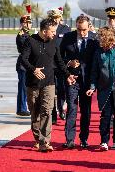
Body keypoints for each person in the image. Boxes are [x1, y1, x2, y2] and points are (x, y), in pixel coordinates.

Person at [21, 18, 76, 152]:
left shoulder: (54, 43)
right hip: (32, 83)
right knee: (35, 113)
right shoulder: (30, 40)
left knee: (47, 111)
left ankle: (44, 142)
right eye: (52, 31)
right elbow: (23, 59)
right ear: (44, 31)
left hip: (49, 83)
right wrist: (33, 69)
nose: (54, 34)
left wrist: (68, 74)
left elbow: (59, 61)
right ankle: (37, 137)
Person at [60, 14, 98, 149]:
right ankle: (69, 139)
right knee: (71, 109)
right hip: (72, 80)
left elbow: (97, 61)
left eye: (84, 30)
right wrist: (68, 62)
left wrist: (95, 83)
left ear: (89, 27)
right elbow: (58, 57)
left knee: (86, 111)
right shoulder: (68, 37)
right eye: (79, 30)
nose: (82, 33)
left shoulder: (94, 39)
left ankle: (84, 139)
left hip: (87, 81)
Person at [47, 8, 71, 124]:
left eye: (58, 17)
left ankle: (61, 109)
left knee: (61, 89)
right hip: (50, 63)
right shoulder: (47, 28)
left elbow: (68, 46)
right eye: (54, 17)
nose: (56, 20)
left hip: (61, 63)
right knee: (51, 89)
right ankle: (53, 114)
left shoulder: (65, 29)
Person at [16, 15, 32, 116]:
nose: (30, 25)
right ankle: (22, 108)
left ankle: (22, 108)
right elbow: (24, 49)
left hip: (27, 64)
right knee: (23, 87)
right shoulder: (21, 35)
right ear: (23, 24)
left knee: (25, 87)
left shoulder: (26, 34)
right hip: (23, 65)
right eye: (29, 23)